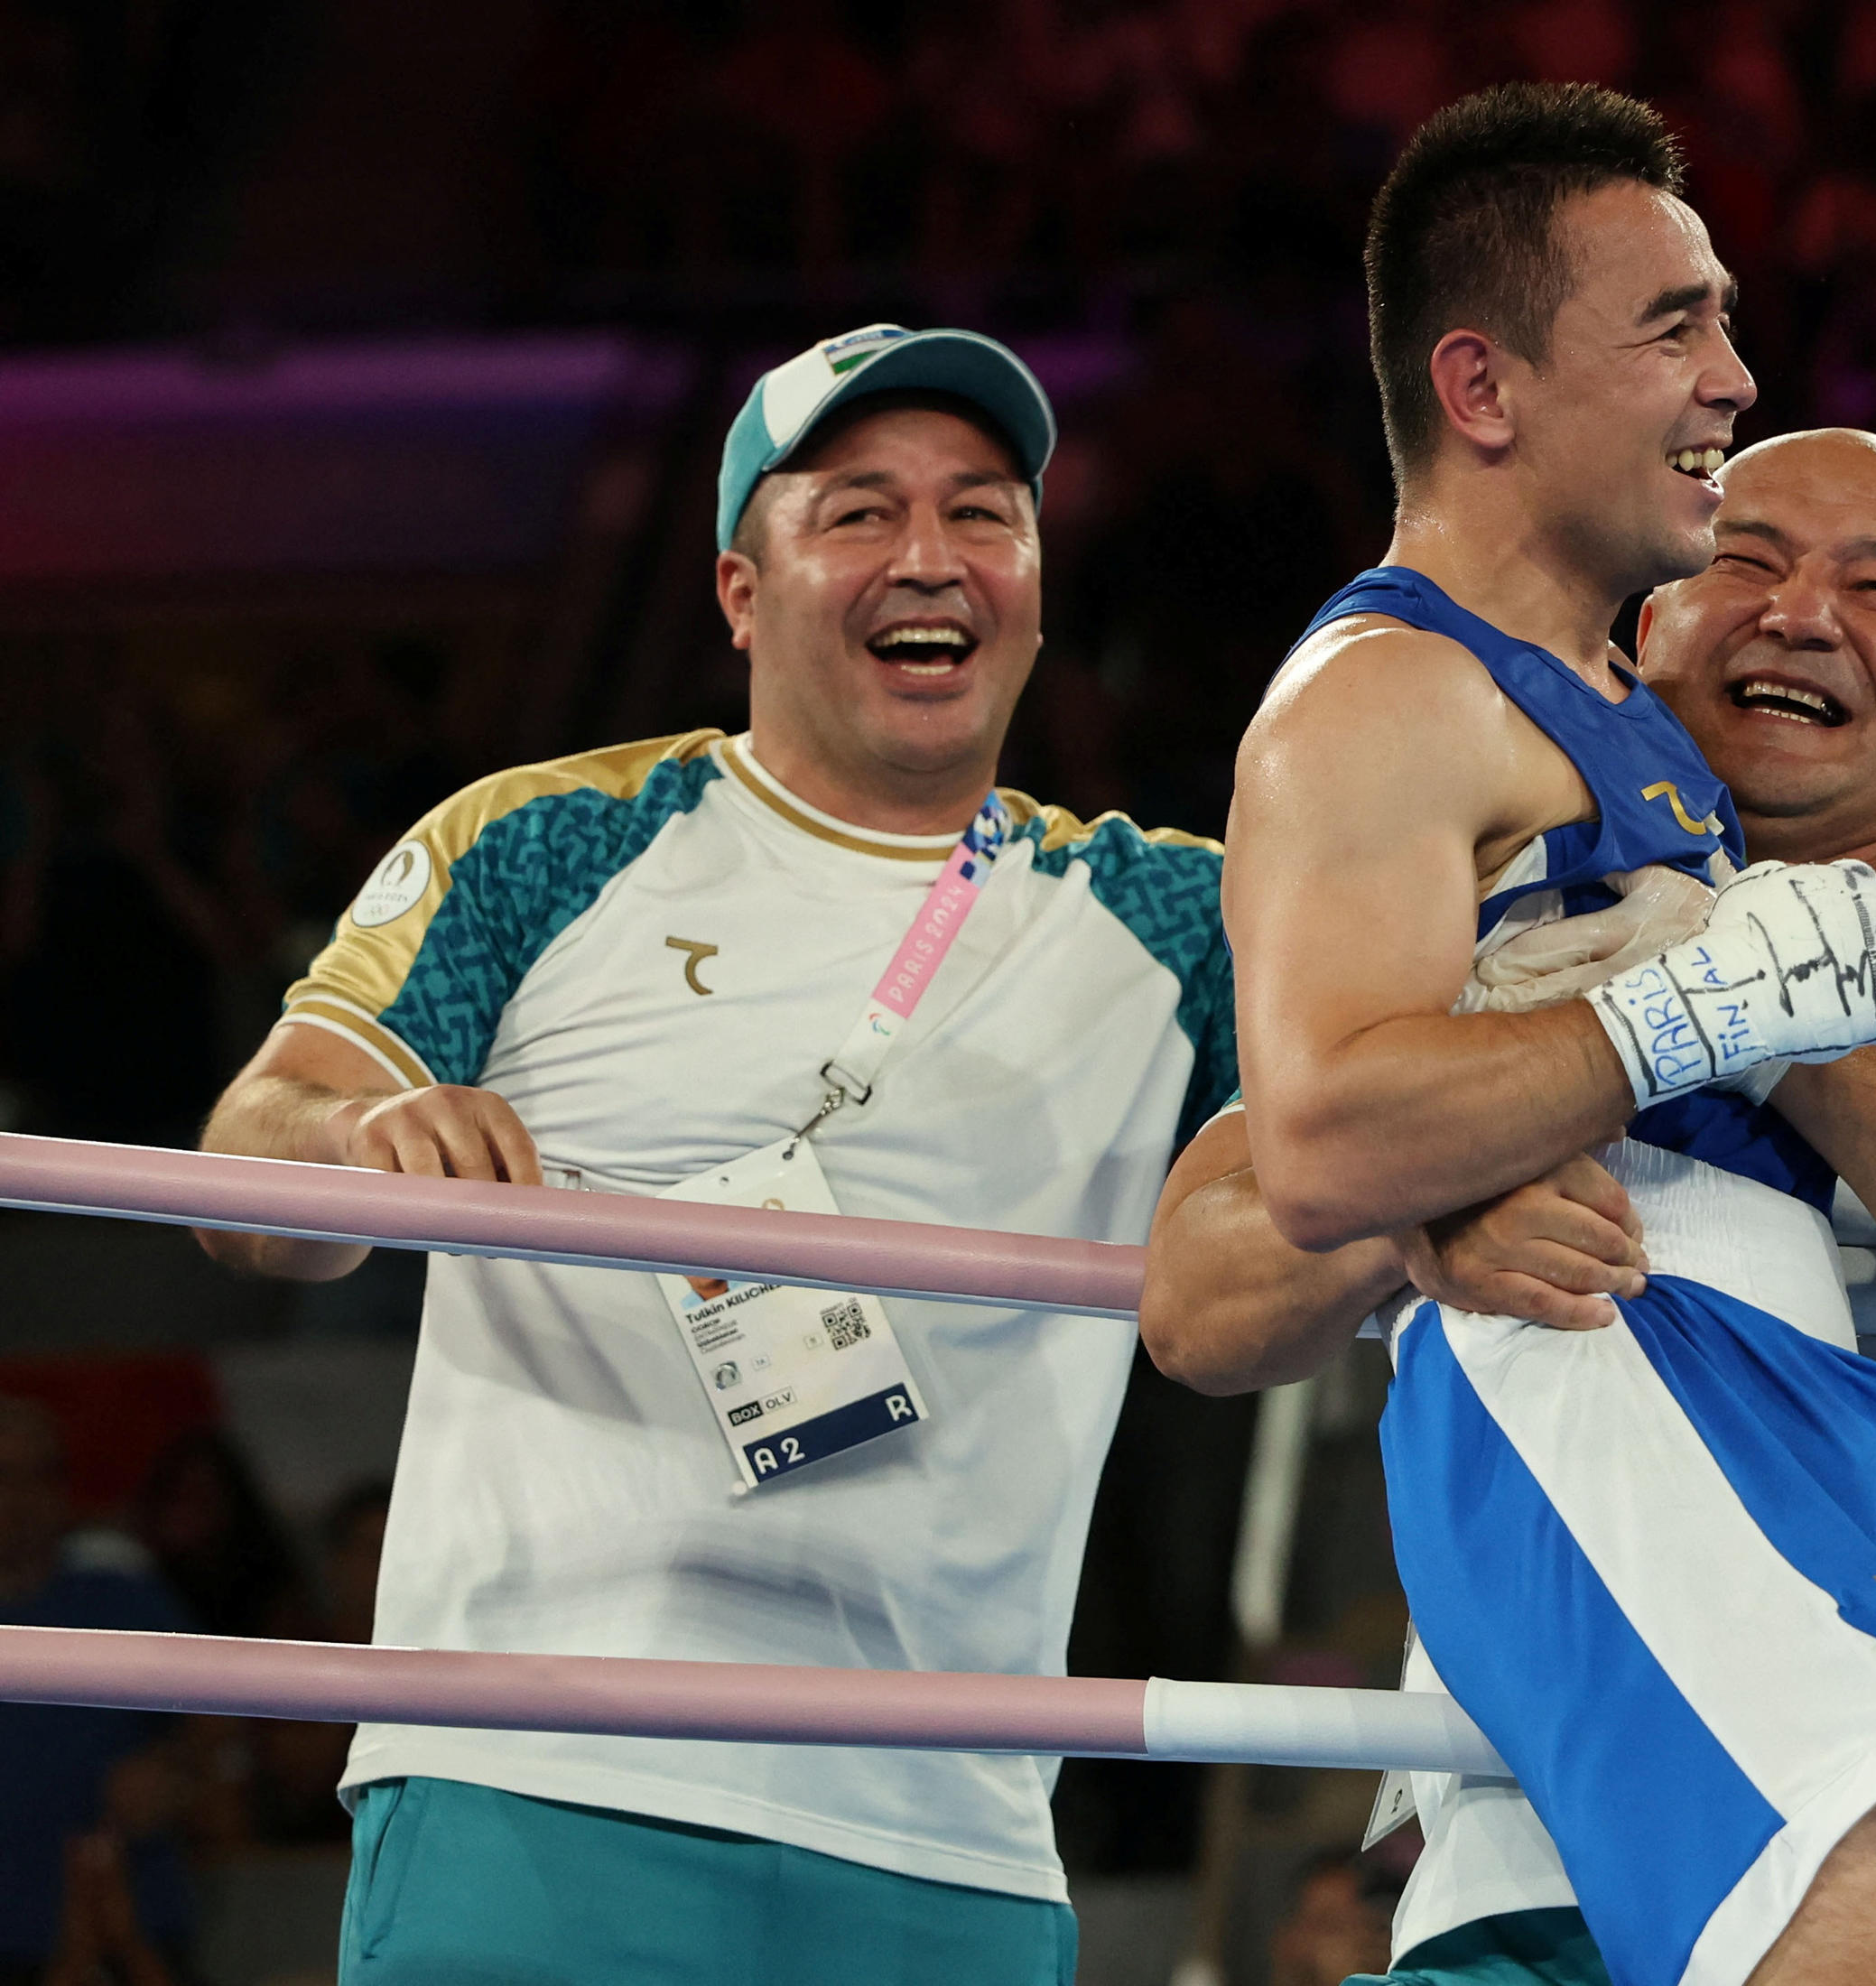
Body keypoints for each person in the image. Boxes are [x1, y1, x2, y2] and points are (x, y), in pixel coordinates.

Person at [1169, 85, 1876, 1986]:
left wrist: (1788, 999)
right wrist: (1449, 1187)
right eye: (1748, 555)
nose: (1798, 611)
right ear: (1653, 609)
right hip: (1571, 1785)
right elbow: (1219, 1256)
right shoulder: (1482, 813)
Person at [193, 324, 1236, 1986]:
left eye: (985, 513)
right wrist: (357, 1141)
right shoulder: (545, 842)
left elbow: (1372, 1140)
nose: (930, 557)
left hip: (943, 1825)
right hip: (532, 1769)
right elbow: (256, 1162)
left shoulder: (1180, 918)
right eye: (859, 512)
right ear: (743, 592)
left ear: (1038, 580)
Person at [0, 1399, 193, 1986]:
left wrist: (171, 1771)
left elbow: (218, 1733)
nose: (24, 1498)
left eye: (44, 1474)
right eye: (3, 1477)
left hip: (126, 1937)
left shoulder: (121, 1601)